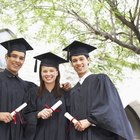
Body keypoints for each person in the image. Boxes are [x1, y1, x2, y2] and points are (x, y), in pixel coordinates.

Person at [63, 41, 134, 140]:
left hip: (98, 135)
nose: (78, 63)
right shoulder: (73, 91)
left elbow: (110, 106)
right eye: (74, 60)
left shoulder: (101, 80)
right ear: (71, 64)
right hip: (77, 136)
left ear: (88, 60)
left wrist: (89, 121)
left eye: (81, 59)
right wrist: (66, 92)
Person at [25, 52, 69, 140]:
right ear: (41, 73)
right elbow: (24, 116)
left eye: (51, 70)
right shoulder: (33, 92)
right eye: (45, 71)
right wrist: (38, 114)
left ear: (57, 72)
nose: (48, 74)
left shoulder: (65, 93)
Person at [0, 38, 36, 140]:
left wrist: (65, 88)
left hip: (18, 135)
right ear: (6, 57)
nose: (17, 61)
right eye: (14, 56)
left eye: (21, 58)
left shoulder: (26, 87)